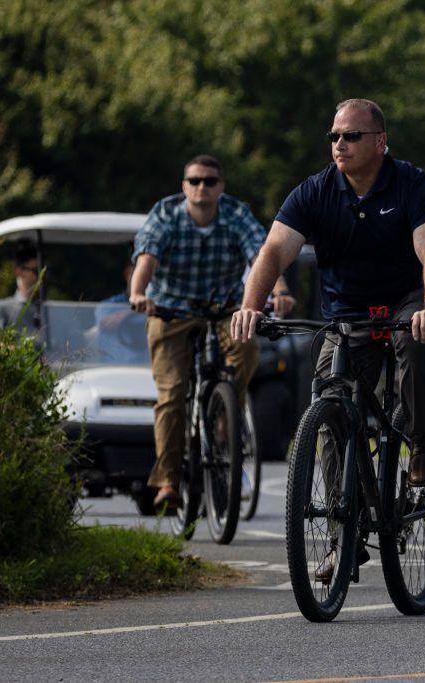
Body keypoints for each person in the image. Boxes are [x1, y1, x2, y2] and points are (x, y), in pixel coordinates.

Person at [232, 98, 425, 582]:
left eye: (351, 136)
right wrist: (252, 306)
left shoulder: (413, 185)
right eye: (334, 136)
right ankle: (342, 539)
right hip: (348, 311)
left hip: (408, 297)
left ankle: (420, 441)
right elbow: (274, 250)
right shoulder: (315, 192)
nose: (339, 144)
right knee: (331, 408)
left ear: (380, 141)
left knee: (417, 348)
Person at [130, 154, 294, 510]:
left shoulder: (236, 215)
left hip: (224, 309)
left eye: (209, 181)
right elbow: (147, 257)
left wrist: (279, 291)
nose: (201, 187)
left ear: (221, 187)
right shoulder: (166, 215)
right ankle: (168, 482)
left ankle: (225, 413)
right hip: (170, 310)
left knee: (247, 348)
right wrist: (138, 292)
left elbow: (262, 255)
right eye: (194, 181)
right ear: (183, 186)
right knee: (172, 394)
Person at [0, 241, 42, 337]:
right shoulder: (1, 308)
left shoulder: (45, 309)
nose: (40, 277)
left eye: (42, 271)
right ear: (19, 271)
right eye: (35, 270)